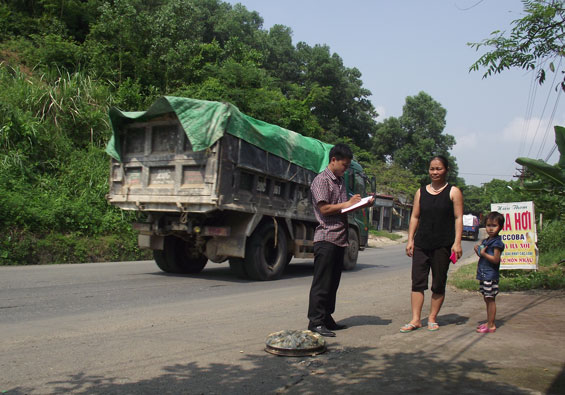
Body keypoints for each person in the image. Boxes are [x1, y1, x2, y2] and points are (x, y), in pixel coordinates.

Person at [307, 143, 373, 337]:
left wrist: (360, 204)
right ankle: (315, 322)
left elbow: (342, 208)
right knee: (322, 282)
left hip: (339, 238)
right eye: (344, 165)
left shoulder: (340, 181)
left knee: (333, 282)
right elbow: (325, 209)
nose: (345, 169)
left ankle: (327, 317)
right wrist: (348, 203)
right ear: (333, 160)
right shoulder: (321, 181)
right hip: (326, 237)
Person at [401, 155, 463, 333]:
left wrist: (457, 243)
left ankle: (432, 318)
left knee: (438, 283)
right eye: (432, 169)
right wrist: (410, 240)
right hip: (421, 244)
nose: (434, 172)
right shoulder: (420, 192)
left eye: (438, 169)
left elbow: (459, 218)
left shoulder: (453, 192)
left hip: (443, 245)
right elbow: (414, 216)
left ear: (446, 170)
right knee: (417, 282)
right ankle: (415, 319)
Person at [475, 211, 505, 334]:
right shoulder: (487, 240)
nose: (491, 228)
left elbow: (495, 259)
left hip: (490, 275)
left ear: (500, 227)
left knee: (490, 299)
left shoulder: (497, 242)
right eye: (488, 225)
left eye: (494, 226)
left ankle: (491, 325)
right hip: (483, 274)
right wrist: (478, 250)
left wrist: (483, 254)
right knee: (486, 298)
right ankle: (489, 321)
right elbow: (483, 256)